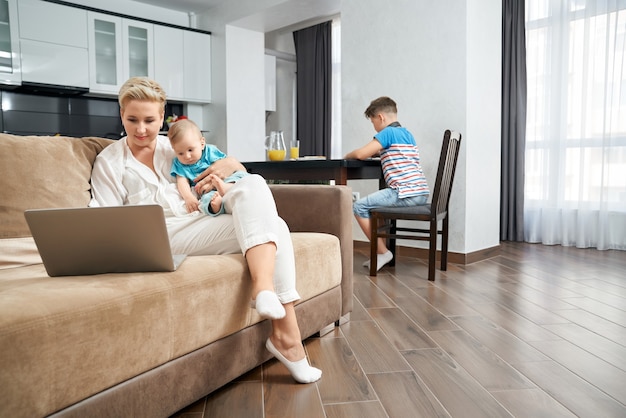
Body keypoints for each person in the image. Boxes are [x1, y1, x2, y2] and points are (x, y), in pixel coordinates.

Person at [90, 76, 322, 384]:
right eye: (132, 119)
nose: (141, 129)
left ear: (162, 118)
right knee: (274, 226)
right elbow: (103, 222)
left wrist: (232, 166)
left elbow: (230, 167)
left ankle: (266, 295)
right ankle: (288, 338)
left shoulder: (175, 146)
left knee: (259, 192)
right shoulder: (110, 161)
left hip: (199, 220)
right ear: (121, 114)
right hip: (162, 234)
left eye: (149, 120)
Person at [344, 96, 429, 271]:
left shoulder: (387, 133)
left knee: (359, 207)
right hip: (420, 193)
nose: (374, 127)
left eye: (373, 122)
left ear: (381, 117)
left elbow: (360, 154)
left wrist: (347, 155)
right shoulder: (407, 134)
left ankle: (383, 252)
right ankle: (381, 253)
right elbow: (395, 154)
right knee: (377, 204)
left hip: (404, 193)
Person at [168, 118, 248, 216]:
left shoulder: (209, 151)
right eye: (180, 153)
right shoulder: (179, 164)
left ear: (202, 143)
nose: (187, 156)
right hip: (208, 191)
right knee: (204, 201)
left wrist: (222, 180)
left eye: (190, 150)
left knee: (241, 175)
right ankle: (215, 206)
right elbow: (182, 182)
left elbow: (227, 166)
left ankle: (227, 187)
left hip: (225, 180)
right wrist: (189, 198)